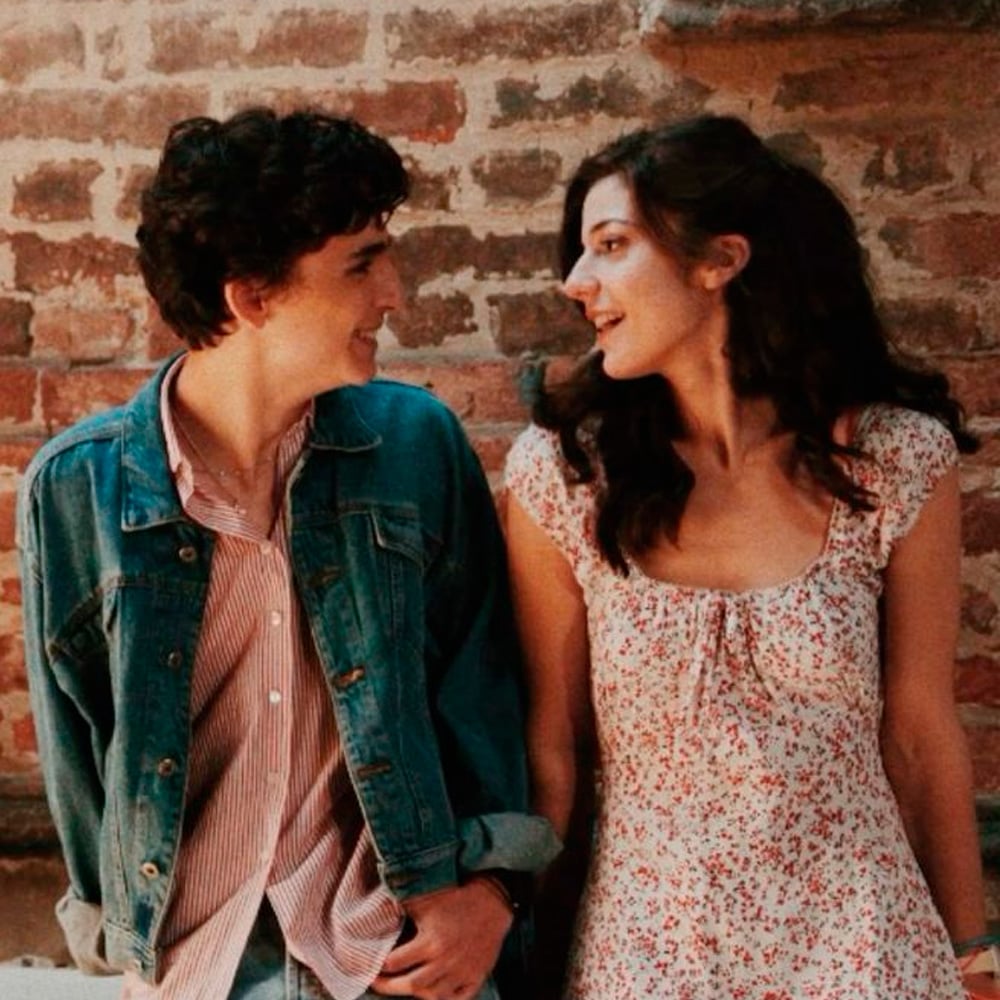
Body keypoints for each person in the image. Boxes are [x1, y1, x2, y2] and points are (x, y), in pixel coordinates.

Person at [17, 106, 558, 1000]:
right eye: (361, 262)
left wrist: (493, 891)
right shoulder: (81, 487)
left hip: (398, 953)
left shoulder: (417, 447)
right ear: (252, 295)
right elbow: (79, 746)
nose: (393, 292)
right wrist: (123, 940)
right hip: (202, 967)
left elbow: (483, 687)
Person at [502, 114, 999, 999]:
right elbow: (555, 750)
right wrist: (522, 955)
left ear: (719, 260)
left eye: (611, 244)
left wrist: (974, 958)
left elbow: (921, 732)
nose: (578, 281)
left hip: (866, 950)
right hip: (650, 956)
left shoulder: (893, 460)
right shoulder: (567, 477)